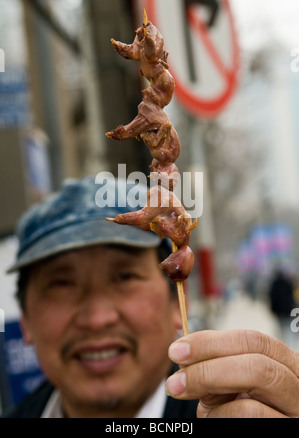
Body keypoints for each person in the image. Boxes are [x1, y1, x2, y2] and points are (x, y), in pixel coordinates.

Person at [2, 176, 299, 418]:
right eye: (61, 284)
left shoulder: (230, 409)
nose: (97, 319)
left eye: (124, 277)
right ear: (26, 319)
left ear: (177, 302)